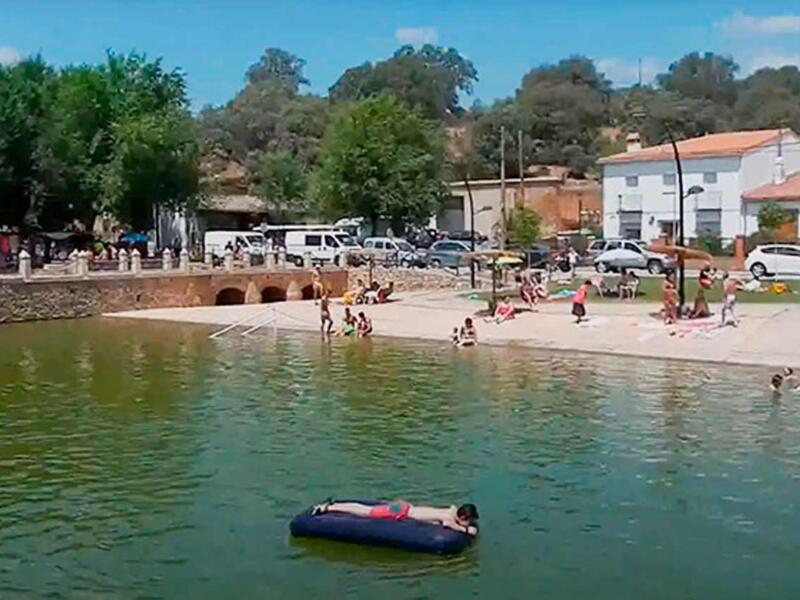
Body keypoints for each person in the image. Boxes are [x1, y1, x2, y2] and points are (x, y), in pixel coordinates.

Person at [312, 499, 479, 536]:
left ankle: (332, 505)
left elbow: (453, 509)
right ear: (463, 517)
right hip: (400, 511)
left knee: (367, 510)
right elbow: (448, 524)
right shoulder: (448, 517)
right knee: (365, 511)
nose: (470, 523)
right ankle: (328, 507)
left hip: (404, 506)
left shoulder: (452, 510)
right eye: (469, 520)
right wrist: (465, 530)